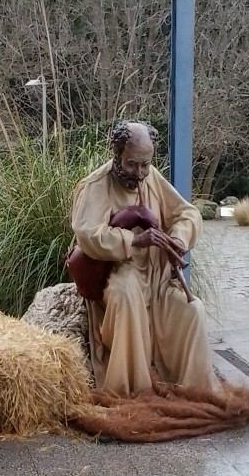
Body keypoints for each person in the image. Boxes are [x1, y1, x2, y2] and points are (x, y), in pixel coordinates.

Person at [70, 120, 218, 395]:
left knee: (194, 310)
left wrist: (178, 239)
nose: (139, 173)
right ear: (116, 154)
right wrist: (133, 240)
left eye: (145, 165)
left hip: (158, 279)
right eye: (131, 164)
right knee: (126, 294)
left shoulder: (151, 178)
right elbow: (87, 234)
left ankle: (194, 391)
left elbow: (188, 213)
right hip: (117, 274)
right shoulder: (95, 185)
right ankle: (133, 392)